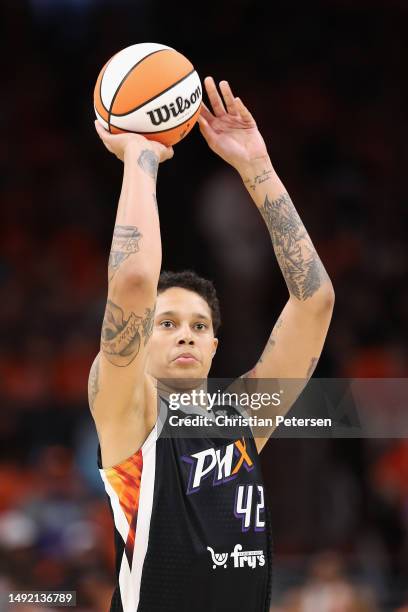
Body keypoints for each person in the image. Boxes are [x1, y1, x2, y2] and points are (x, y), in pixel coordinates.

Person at [89, 77, 335, 612]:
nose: (185, 333)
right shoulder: (127, 417)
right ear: (139, 340)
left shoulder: (241, 417)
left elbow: (314, 300)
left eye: (199, 326)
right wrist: (140, 154)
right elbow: (132, 284)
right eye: (166, 322)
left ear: (215, 347)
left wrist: (257, 169)